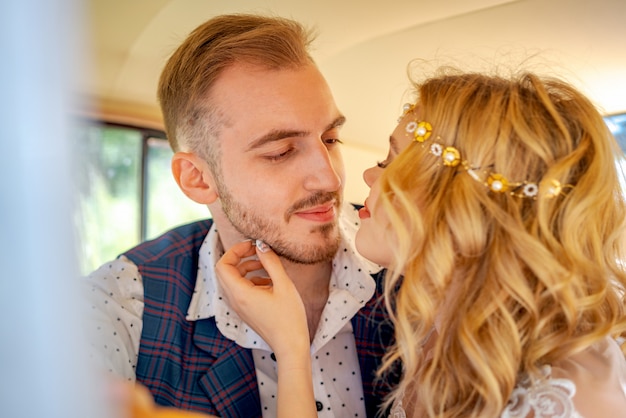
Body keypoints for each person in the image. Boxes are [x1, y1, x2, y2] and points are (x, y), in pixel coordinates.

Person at [217, 68, 626, 417]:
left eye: (391, 163)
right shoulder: (438, 326)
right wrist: (293, 347)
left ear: (458, 201)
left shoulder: (563, 391)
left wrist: (291, 354)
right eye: (281, 151)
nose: (361, 179)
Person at [83, 13, 397, 418]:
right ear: (197, 179)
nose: (330, 177)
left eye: (330, 138)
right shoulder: (119, 305)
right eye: (281, 152)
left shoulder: (415, 252)